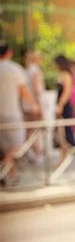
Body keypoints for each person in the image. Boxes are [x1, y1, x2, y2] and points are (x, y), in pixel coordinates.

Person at [0, 42, 37, 183]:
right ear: (8, 53)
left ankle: (11, 174)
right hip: (11, 113)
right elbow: (23, 91)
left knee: (5, 148)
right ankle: (4, 169)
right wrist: (33, 105)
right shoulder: (15, 69)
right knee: (16, 146)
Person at [21, 48, 44, 158]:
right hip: (35, 105)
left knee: (28, 130)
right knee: (36, 131)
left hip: (26, 105)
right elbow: (37, 89)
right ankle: (37, 153)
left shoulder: (26, 70)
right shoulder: (36, 71)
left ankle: (28, 152)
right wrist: (40, 104)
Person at [54, 55, 75, 153]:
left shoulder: (66, 75)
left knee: (67, 132)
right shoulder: (62, 74)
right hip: (61, 105)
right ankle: (62, 158)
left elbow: (67, 92)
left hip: (65, 106)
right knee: (61, 133)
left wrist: (60, 105)